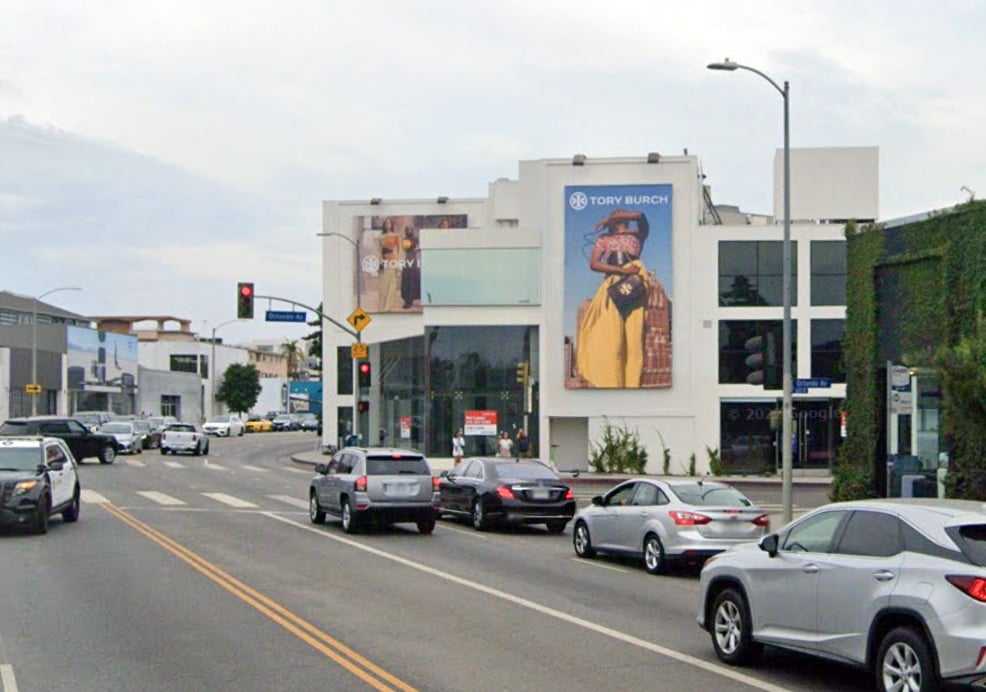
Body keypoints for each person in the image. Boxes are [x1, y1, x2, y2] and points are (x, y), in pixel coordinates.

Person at [576, 208, 651, 388]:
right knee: (612, 339)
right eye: (618, 215)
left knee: (634, 340)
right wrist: (621, 270)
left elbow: (641, 217)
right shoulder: (603, 240)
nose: (622, 216)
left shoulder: (637, 234)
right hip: (613, 285)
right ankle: (612, 384)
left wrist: (613, 217)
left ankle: (632, 385)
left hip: (634, 284)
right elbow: (594, 264)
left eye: (622, 215)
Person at [378, 216, 401, 311]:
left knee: (392, 285)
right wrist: (379, 262)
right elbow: (379, 250)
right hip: (384, 261)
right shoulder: (380, 237)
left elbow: (399, 250)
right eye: (386, 223)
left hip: (392, 261)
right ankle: (382, 306)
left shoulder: (396, 236)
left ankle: (389, 307)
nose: (388, 225)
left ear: (392, 225)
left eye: (389, 223)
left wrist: (398, 265)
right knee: (383, 285)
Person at [400, 226, 421, 309]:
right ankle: (407, 300)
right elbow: (407, 246)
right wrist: (414, 245)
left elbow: (417, 247)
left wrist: (415, 246)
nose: (409, 231)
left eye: (411, 229)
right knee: (407, 280)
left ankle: (412, 300)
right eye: (407, 229)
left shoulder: (416, 239)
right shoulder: (405, 239)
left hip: (414, 261)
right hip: (408, 261)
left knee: (414, 280)